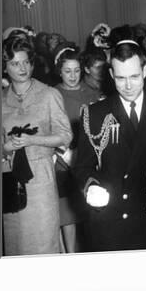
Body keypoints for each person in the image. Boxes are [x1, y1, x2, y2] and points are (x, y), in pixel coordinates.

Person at [73, 40, 146, 252]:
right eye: (120, 78)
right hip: (111, 224)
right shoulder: (95, 114)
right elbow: (83, 168)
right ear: (111, 75)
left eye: (134, 77)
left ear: (145, 71)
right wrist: (91, 187)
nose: (128, 86)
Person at [1, 35, 73, 256]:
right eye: (14, 63)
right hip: (11, 178)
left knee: (44, 243)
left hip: (41, 178)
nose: (22, 68)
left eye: (26, 62)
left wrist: (33, 140)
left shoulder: (49, 95)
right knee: (15, 244)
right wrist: (5, 147)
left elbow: (65, 136)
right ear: (5, 67)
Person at [53, 44, 102, 252]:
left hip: (87, 158)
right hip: (62, 160)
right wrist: (62, 152)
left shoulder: (92, 93)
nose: (72, 76)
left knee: (88, 207)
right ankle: (70, 255)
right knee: (67, 213)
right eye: (67, 71)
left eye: (76, 71)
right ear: (59, 71)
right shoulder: (53, 94)